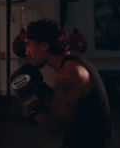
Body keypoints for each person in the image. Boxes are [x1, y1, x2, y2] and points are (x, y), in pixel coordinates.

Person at [21, 19, 112, 148]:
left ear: (44, 46)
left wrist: (28, 96)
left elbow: (52, 131)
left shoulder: (71, 74)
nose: (26, 52)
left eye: (29, 45)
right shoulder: (74, 59)